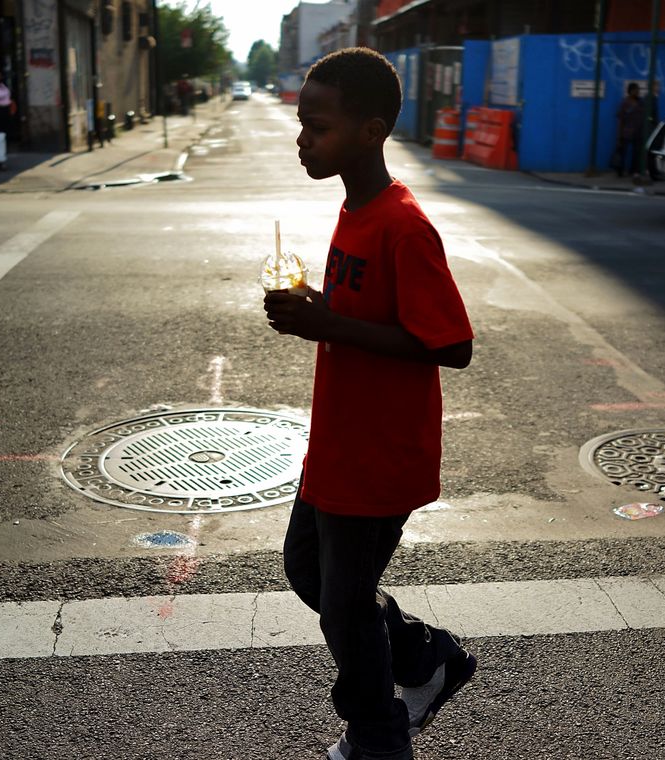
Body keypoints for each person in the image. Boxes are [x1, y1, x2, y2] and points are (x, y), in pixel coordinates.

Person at [263, 47, 476, 760]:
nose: (302, 139)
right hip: (336, 442)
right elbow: (369, 316)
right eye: (301, 124)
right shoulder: (354, 209)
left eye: (316, 127)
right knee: (307, 573)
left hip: (381, 454)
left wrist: (331, 325)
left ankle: (378, 735)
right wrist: (319, 312)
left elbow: (452, 344)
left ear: (371, 131)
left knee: (344, 608)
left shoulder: (402, 225)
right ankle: (423, 656)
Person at [614, 82, 645, 179]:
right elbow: (620, 119)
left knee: (636, 152)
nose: (637, 92)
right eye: (635, 90)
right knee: (623, 152)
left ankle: (634, 170)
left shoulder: (641, 102)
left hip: (638, 132)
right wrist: (619, 136)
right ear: (630, 91)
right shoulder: (625, 103)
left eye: (638, 90)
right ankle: (620, 170)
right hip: (626, 132)